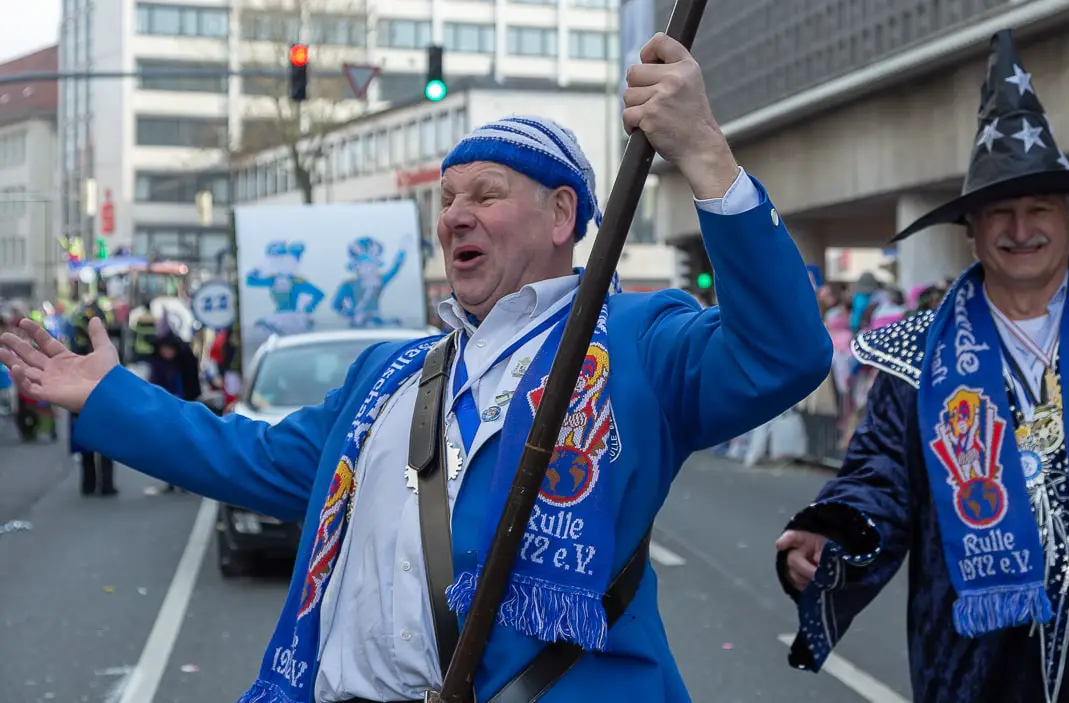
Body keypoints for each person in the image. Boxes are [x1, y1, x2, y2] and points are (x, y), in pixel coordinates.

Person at [1, 33, 832, 703]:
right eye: (445, 198)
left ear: (561, 214)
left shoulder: (639, 342)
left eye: (485, 193)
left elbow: (782, 354)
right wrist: (106, 395)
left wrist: (704, 154)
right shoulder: (387, 376)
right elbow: (249, 456)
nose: (455, 215)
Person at [774, 29, 1069, 703]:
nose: (1020, 227)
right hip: (979, 663)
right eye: (999, 211)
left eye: (1038, 208)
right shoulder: (918, 355)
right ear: (970, 227)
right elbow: (878, 475)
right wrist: (833, 531)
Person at [66, 296, 118, 496]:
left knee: (88, 447)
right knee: (104, 448)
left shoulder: (77, 349)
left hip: (84, 403)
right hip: (99, 402)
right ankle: (105, 486)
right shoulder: (105, 351)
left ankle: (90, 485)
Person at [145, 332, 202, 494]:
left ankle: (186, 481)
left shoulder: (185, 361)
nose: (167, 353)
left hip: (183, 408)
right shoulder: (158, 364)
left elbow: (191, 386)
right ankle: (170, 482)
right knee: (167, 448)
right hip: (164, 411)